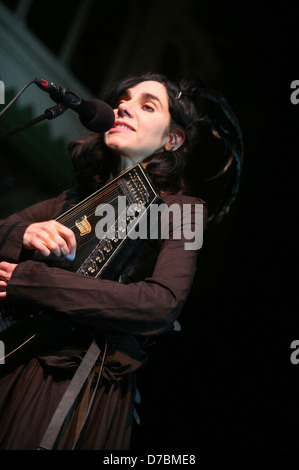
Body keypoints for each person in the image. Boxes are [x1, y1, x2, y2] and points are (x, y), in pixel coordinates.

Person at [0, 72, 243, 450]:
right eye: (123, 101)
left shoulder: (181, 211)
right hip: (11, 358)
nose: (125, 107)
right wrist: (22, 235)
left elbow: (160, 305)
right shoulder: (69, 202)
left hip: (71, 382)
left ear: (172, 139)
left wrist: (33, 282)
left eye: (148, 105)